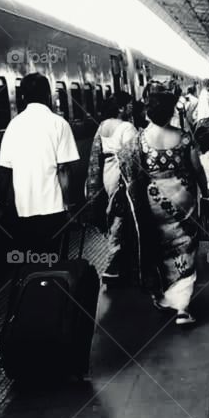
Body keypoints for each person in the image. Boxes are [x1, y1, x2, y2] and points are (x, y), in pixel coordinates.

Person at [138, 89, 207, 327]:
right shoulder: (184, 137)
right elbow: (197, 169)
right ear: (170, 113)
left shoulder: (140, 139)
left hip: (153, 199)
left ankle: (162, 296)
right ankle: (182, 308)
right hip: (182, 196)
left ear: (148, 112)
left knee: (159, 246)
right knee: (185, 246)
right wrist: (205, 192)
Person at [0, 73, 80, 263]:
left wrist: (1, 205)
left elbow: (4, 172)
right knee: (55, 259)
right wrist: (70, 207)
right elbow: (64, 170)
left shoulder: (13, 126)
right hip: (54, 209)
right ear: (48, 95)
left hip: (24, 209)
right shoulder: (59, 124)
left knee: (32, 260)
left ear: (23, 97)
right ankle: (53, 289)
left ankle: (36, 288)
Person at [85, 90, 139, 284]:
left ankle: (117, 259)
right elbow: (131, 157)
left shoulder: (102, 125)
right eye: (129, 104)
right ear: (121, 108)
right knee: (122, 216)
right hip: (120, 174)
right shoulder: (127, 126)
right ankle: (115, 262)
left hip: (107, 172)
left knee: (114, 211)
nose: (133, 107)